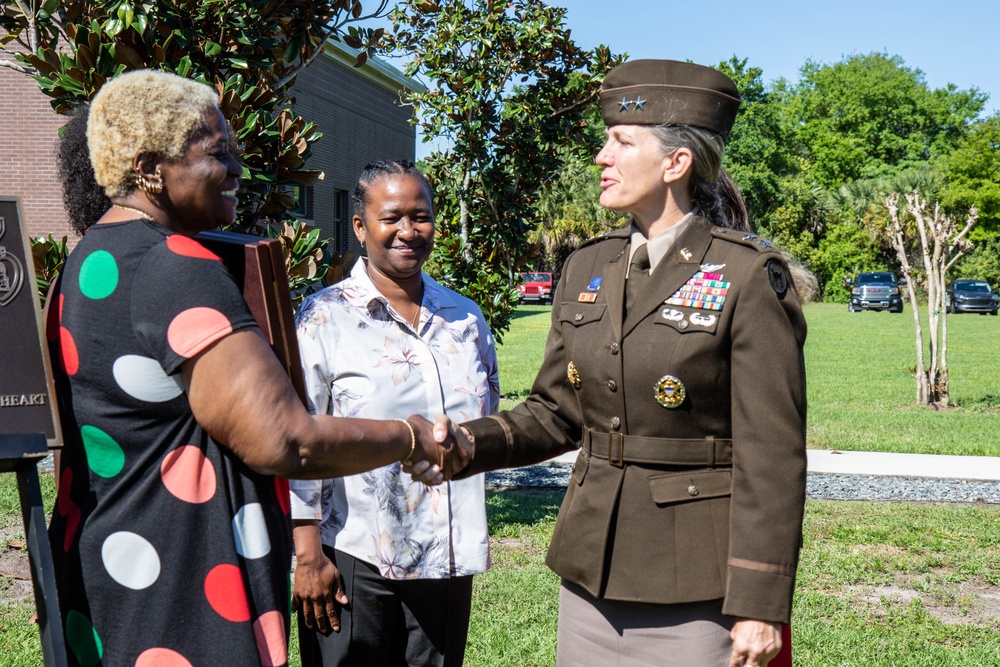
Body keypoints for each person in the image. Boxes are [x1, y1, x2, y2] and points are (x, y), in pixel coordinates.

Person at [46, 70, 464, 667]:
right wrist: (410, 436)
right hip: (185, 583)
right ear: (147, 167)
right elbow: (286, 440)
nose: (239, 167)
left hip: (110, 564)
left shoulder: (84, 260)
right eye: (218, 152)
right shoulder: (176, 266)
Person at [447, 60, 808, 667]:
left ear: (676, 163)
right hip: (591, 578)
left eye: (621, 141)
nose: (600, 156)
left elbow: (772, 456)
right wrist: (464, 443)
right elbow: (556, 412)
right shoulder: (587, 267)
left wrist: (761, 603)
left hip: (698, 589)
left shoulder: (745, 276)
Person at [290, 160, 497, 666]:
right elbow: (298, 443)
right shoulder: (323, 317)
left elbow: (485, 421)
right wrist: (308, 555)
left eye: (420, 216)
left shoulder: (465, 318)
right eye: (391, 217)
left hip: (447, 558)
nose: (408, 231)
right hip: (355, 556)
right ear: (360, 227)